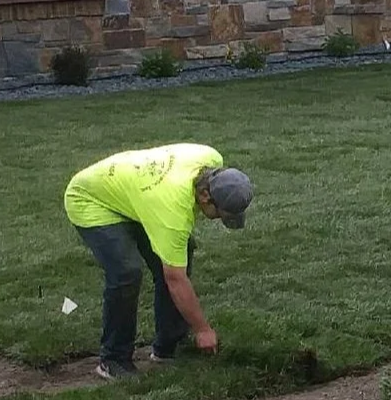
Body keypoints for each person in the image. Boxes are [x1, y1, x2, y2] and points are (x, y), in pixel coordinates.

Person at [62, 143, 253, 380]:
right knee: (127, 272)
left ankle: (169, 347)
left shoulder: (211, 157)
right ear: (205, 196)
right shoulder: (172, 210)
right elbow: (175, 278)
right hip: (91, 199)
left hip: (138, 195)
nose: (217, 220)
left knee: (181, 250)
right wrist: (202, 329)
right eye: (220, 214)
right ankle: (113, 359)